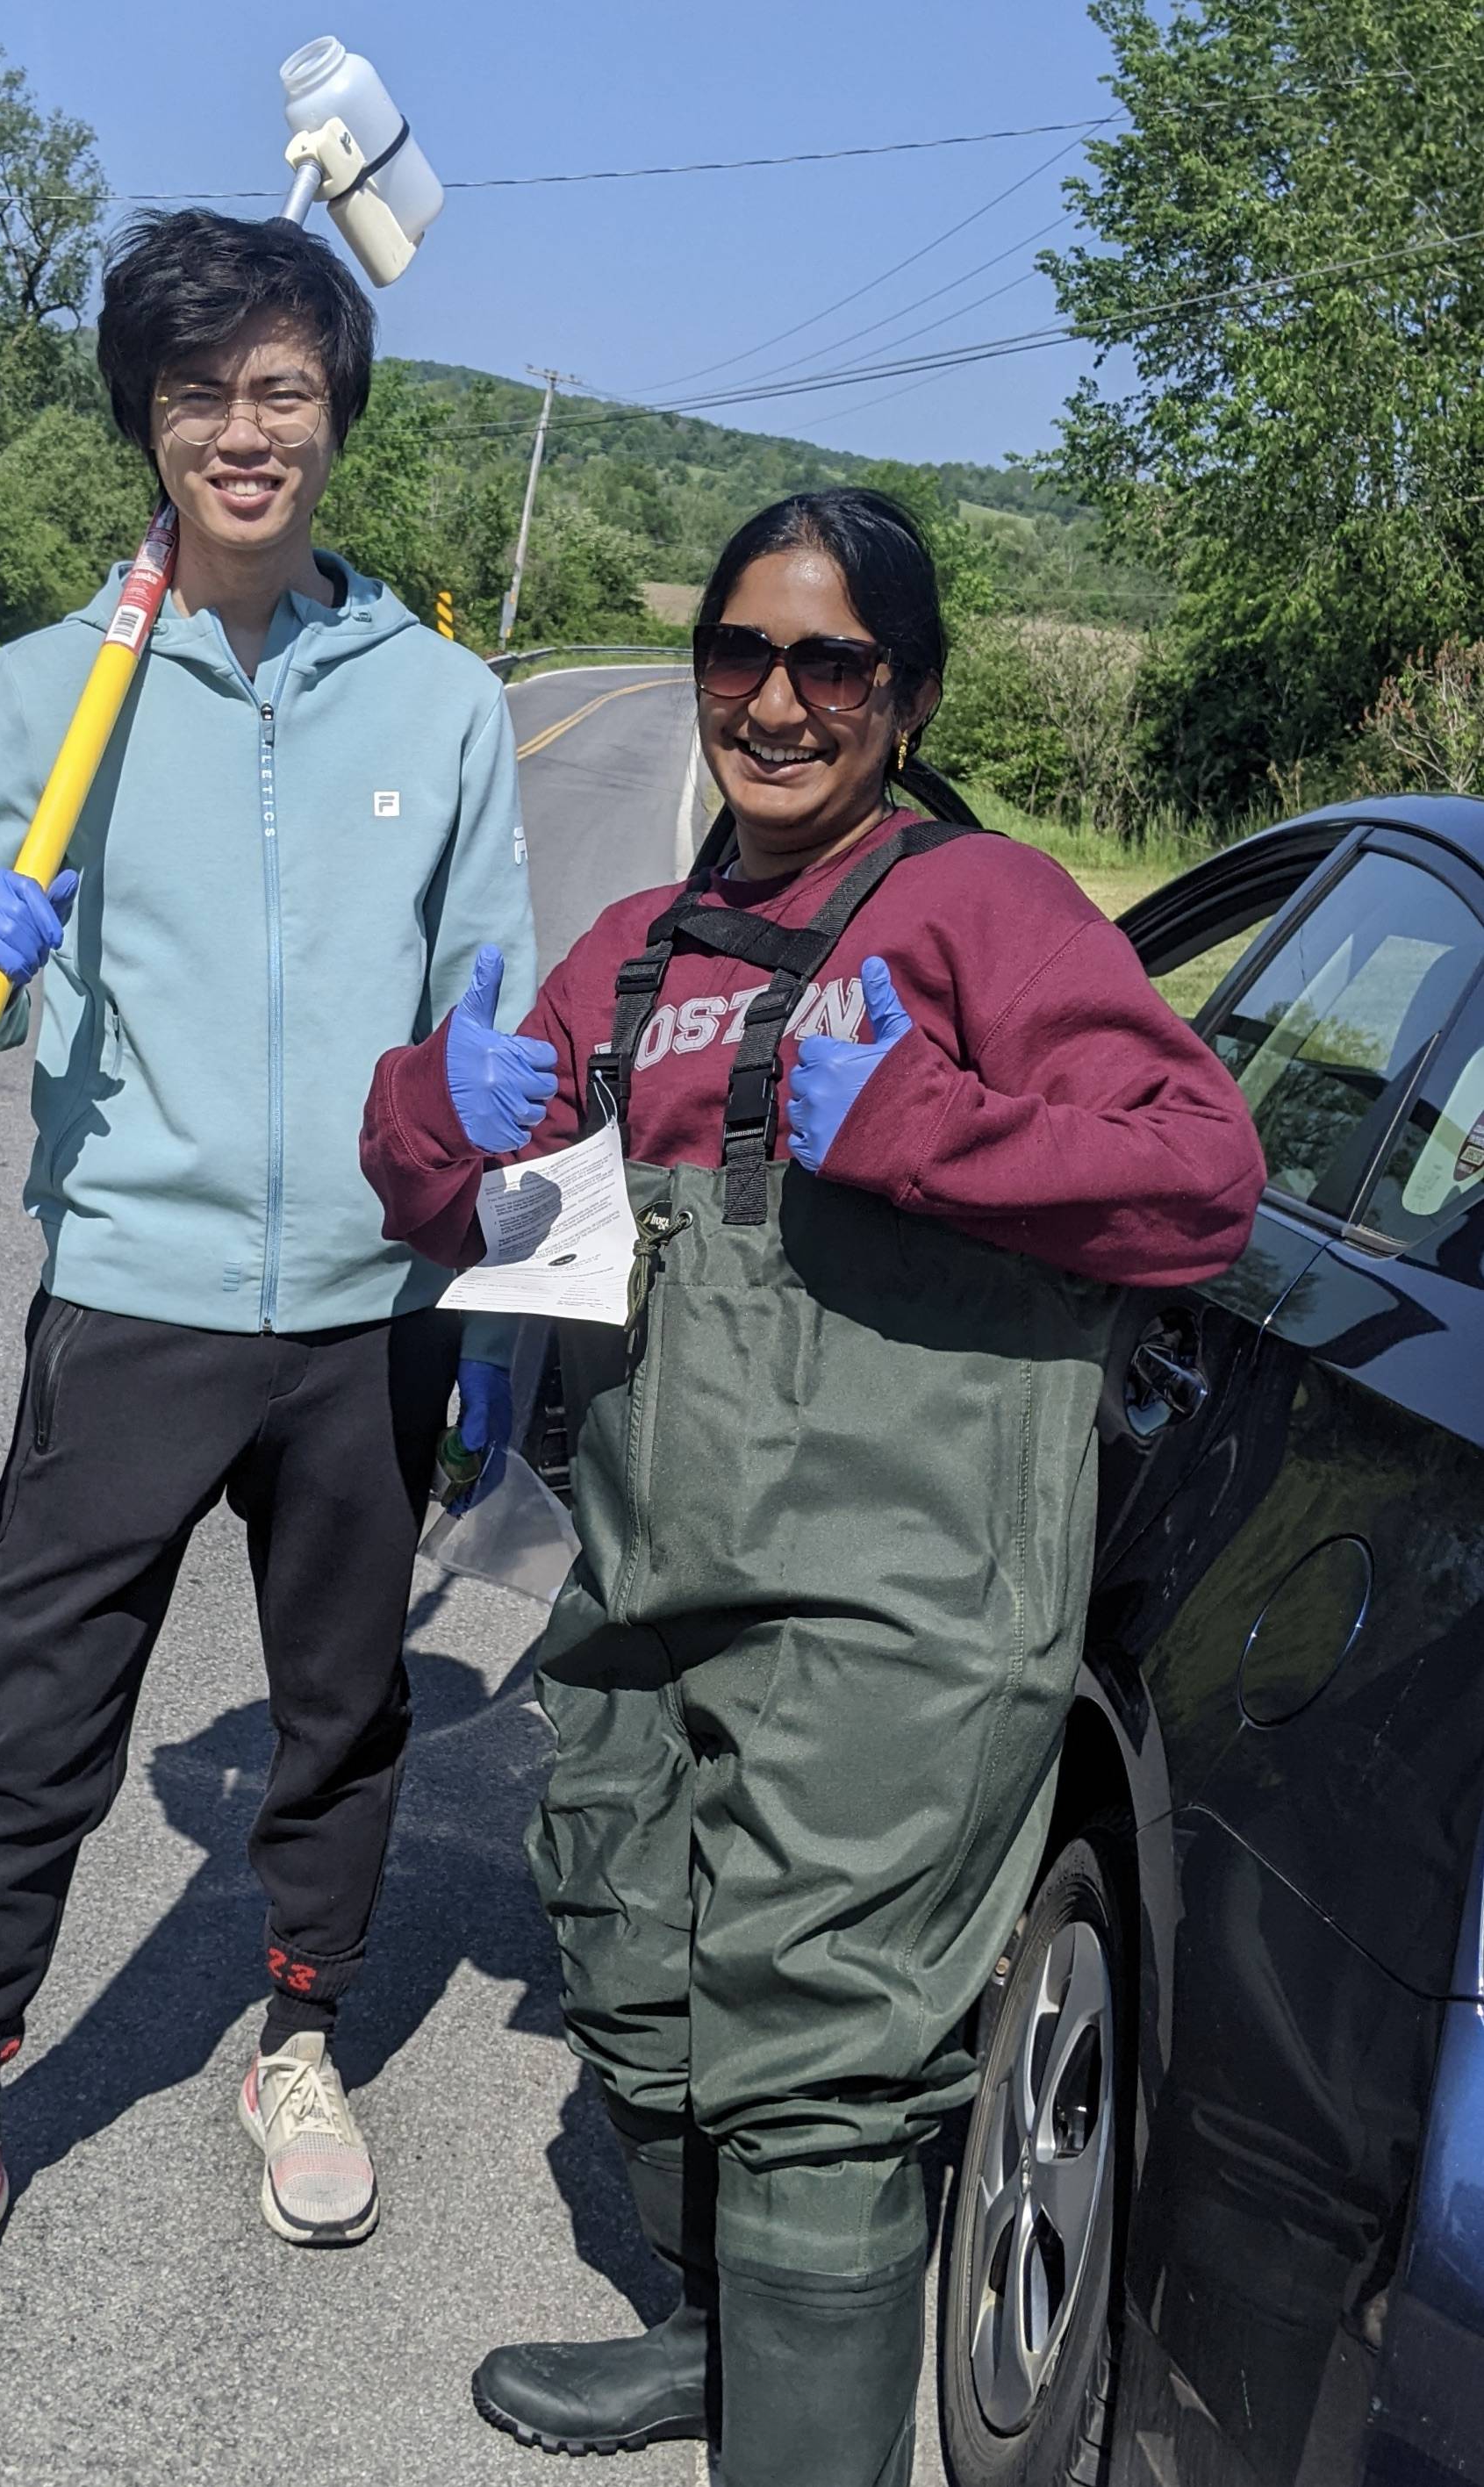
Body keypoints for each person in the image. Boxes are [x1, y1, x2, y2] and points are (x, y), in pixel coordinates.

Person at [359, 489, 1264, 2483]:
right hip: (645, 1574)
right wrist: (440, 1101)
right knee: (630, 1957)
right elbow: (432, 1189)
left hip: (897, 1604)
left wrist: (929, 1122)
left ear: (906, 693)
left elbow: (1202, 1173)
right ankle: (713, 2346)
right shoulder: (641, 944)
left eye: (828, 663)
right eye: (736, 657)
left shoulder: (980, 911)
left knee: (819, 2062)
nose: (774, 702)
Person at [0, 209, 534, 2339]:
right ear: (144, 423)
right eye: (197, 392)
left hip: (364, 1310)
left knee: (339, 1713)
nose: (245, 431)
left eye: (282, 388)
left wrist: (496, 1255)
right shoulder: (59, 687)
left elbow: (479, 1009)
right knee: (31, 1725)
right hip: (131, 1291)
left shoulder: (441, 697)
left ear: (335, 413)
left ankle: (299, 2036)